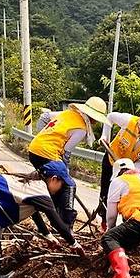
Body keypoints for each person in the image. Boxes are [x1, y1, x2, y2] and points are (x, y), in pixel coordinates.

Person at [0, 162, 84, 278]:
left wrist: (48, 235)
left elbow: (33, 213)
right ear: (54, 179)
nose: (60, 189)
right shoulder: (40, 190)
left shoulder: (30, 182)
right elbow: (56, 222)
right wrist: (74, 243)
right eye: (61, 184)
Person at [28, 97, 108, 227]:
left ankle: (53, 217)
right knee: (68, 185)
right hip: (47, 153)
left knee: (55, 185)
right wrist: (65, 172)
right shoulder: (81, 128)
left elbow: (44, 117)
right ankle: (65, 224)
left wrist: (42, 137)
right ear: (92, 117)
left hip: (34, 150)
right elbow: (66, 151)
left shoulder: (66, 113)